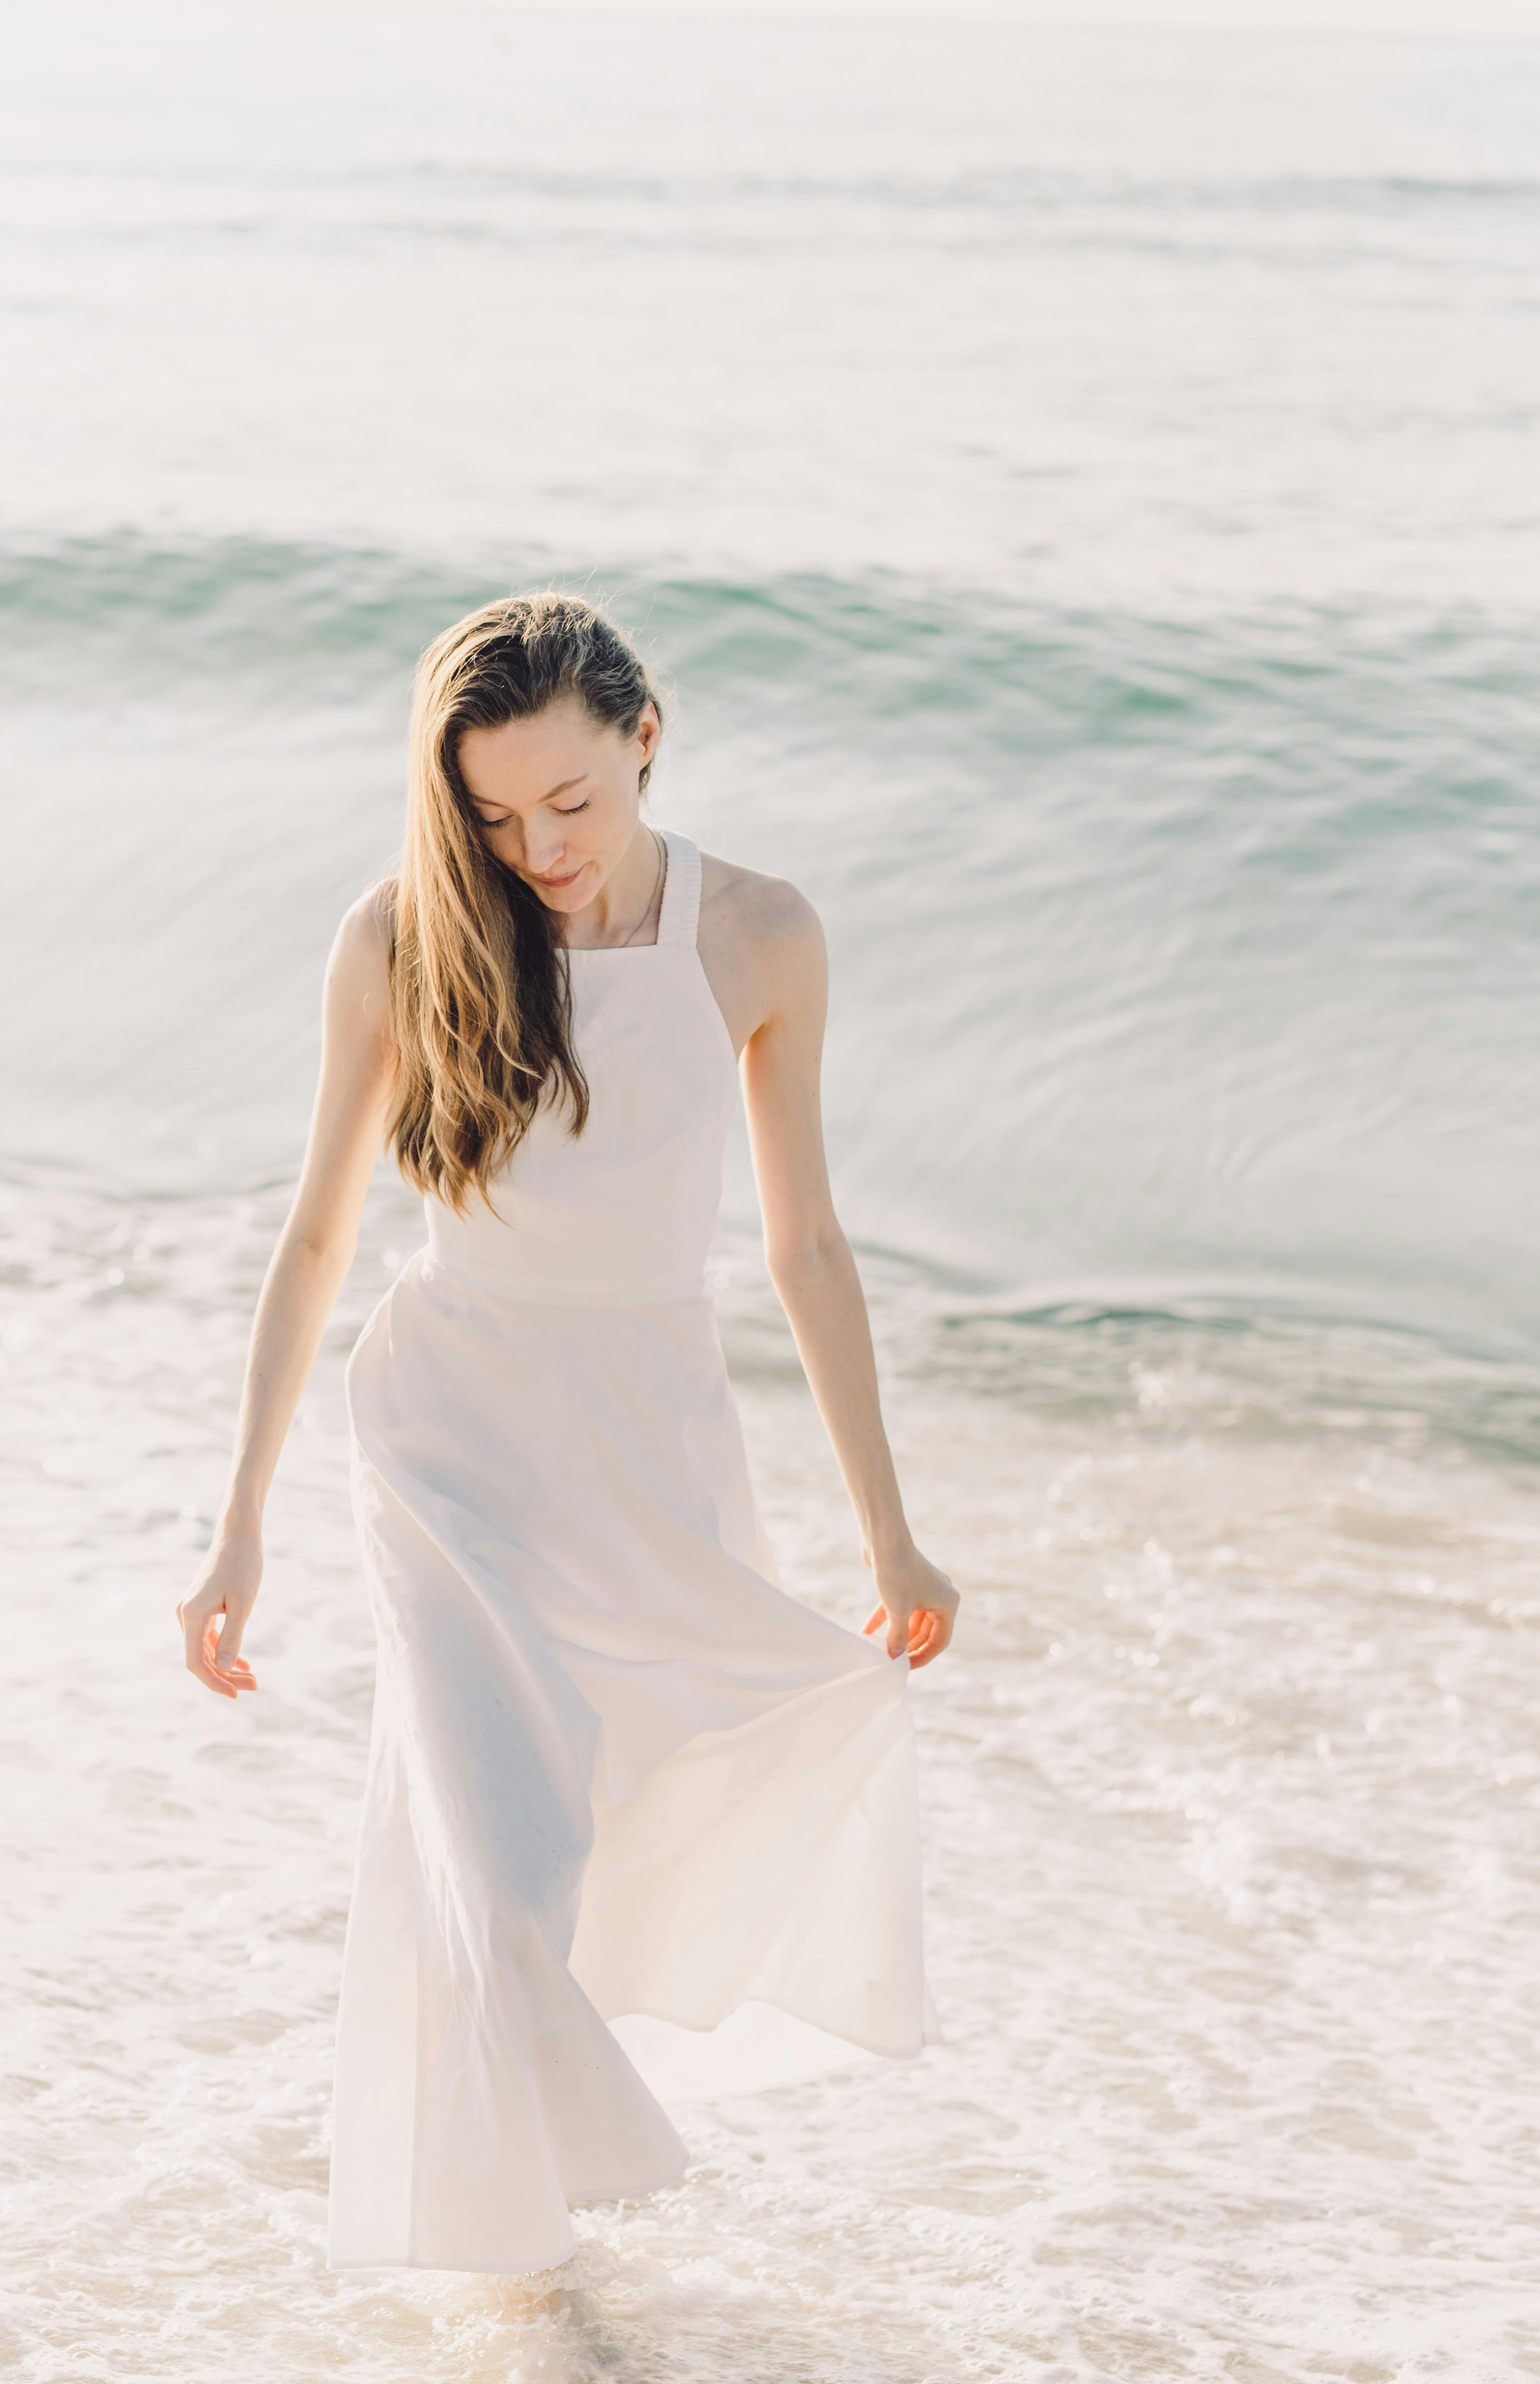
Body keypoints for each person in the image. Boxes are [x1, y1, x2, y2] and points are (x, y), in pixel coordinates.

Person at [177, 595, 957, 2275]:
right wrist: (238, 1519)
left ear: (647, 736)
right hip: (451, 1432)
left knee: (606, 1843)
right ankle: (536, 2254)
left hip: (645, 1437)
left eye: (570, 804)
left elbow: (804, 1246)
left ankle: (505, 2254)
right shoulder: (402, 939)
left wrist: (889, 1529)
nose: (535, 849)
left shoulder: (760, 936)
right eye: (492, 816)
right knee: (503, 1874)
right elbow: (315, 1237)